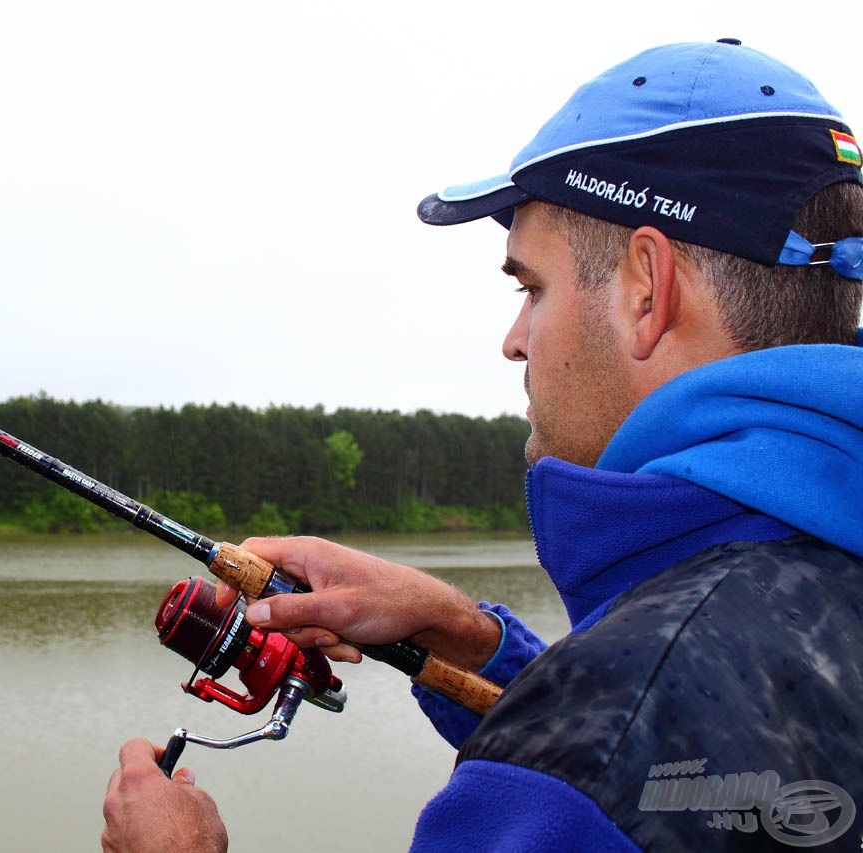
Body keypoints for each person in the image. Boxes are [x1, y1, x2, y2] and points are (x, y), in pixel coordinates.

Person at [102, 40, 863, 851]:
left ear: (647, 289)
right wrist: (470, 638)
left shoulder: (569, 792)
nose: (513, 339)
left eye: (530, 286)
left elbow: (616, 754)